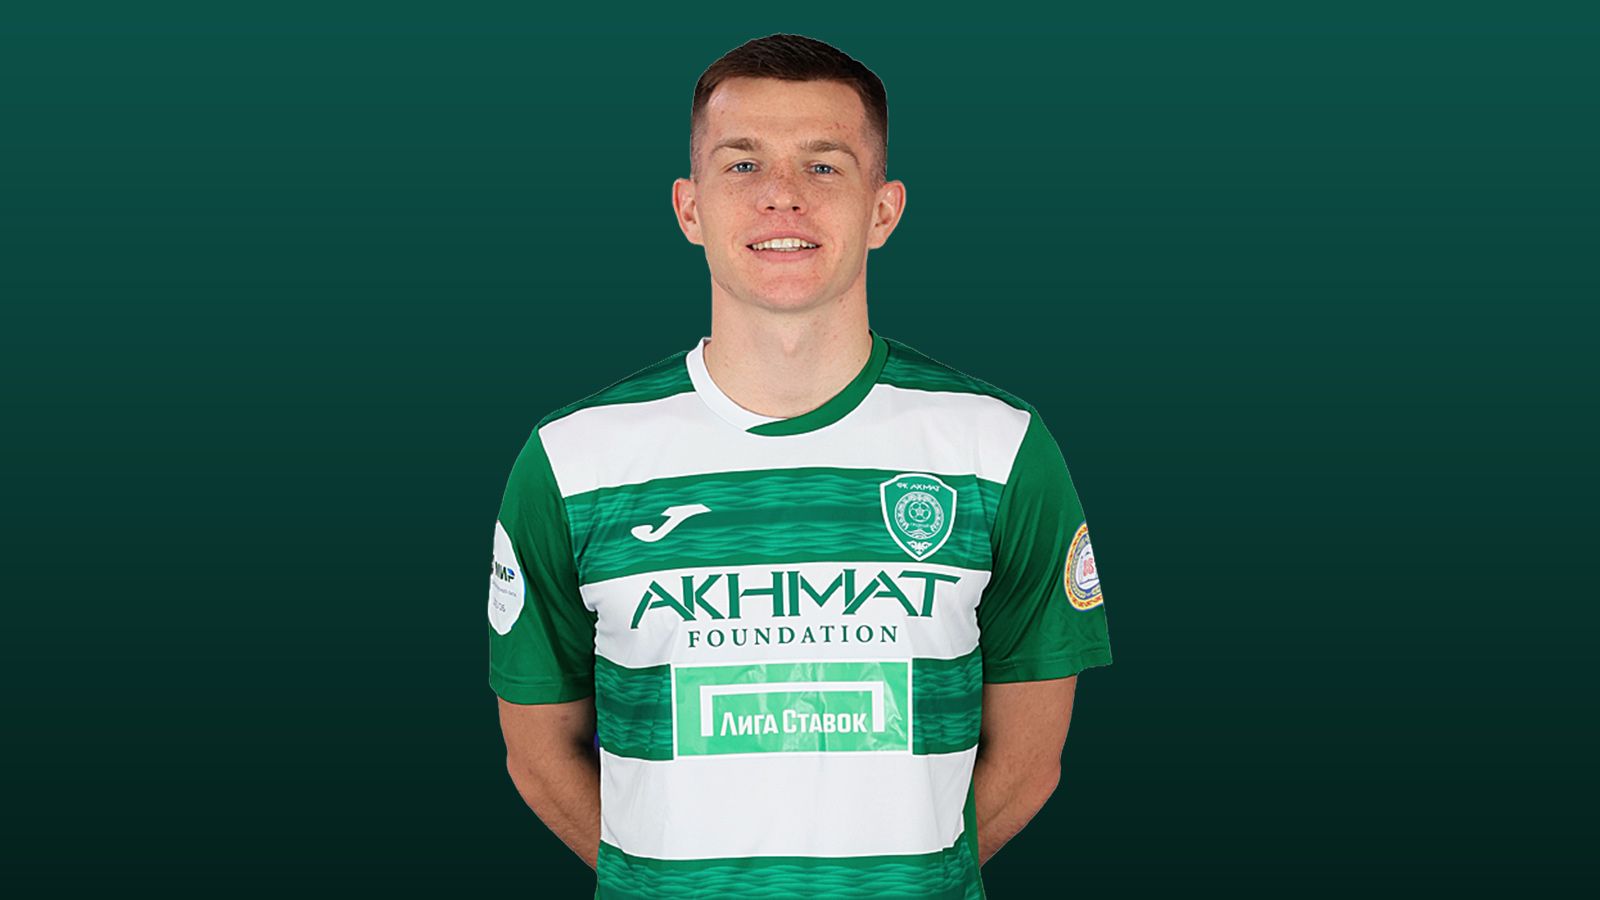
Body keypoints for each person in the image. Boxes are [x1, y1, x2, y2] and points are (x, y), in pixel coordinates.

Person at [487, 32, 1112, 899]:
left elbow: (1031, 762)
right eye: (743, 165)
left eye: (823, 166)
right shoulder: (572, 459)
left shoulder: (998, 448)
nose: (782, 195)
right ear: (689, 208)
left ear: (883, 210)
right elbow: (537, 756)